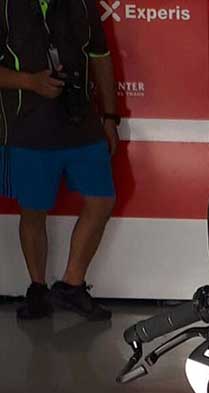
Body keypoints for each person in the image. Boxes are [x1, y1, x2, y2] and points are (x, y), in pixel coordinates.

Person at [0, 0, 120, 321]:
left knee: (102, 200)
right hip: (28, 125)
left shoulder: (83, 3)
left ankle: (71, 284)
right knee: (33, 210)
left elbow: (100, 56)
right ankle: (37, 289)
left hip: (82, 121)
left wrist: (110, 117)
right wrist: (31, 82)